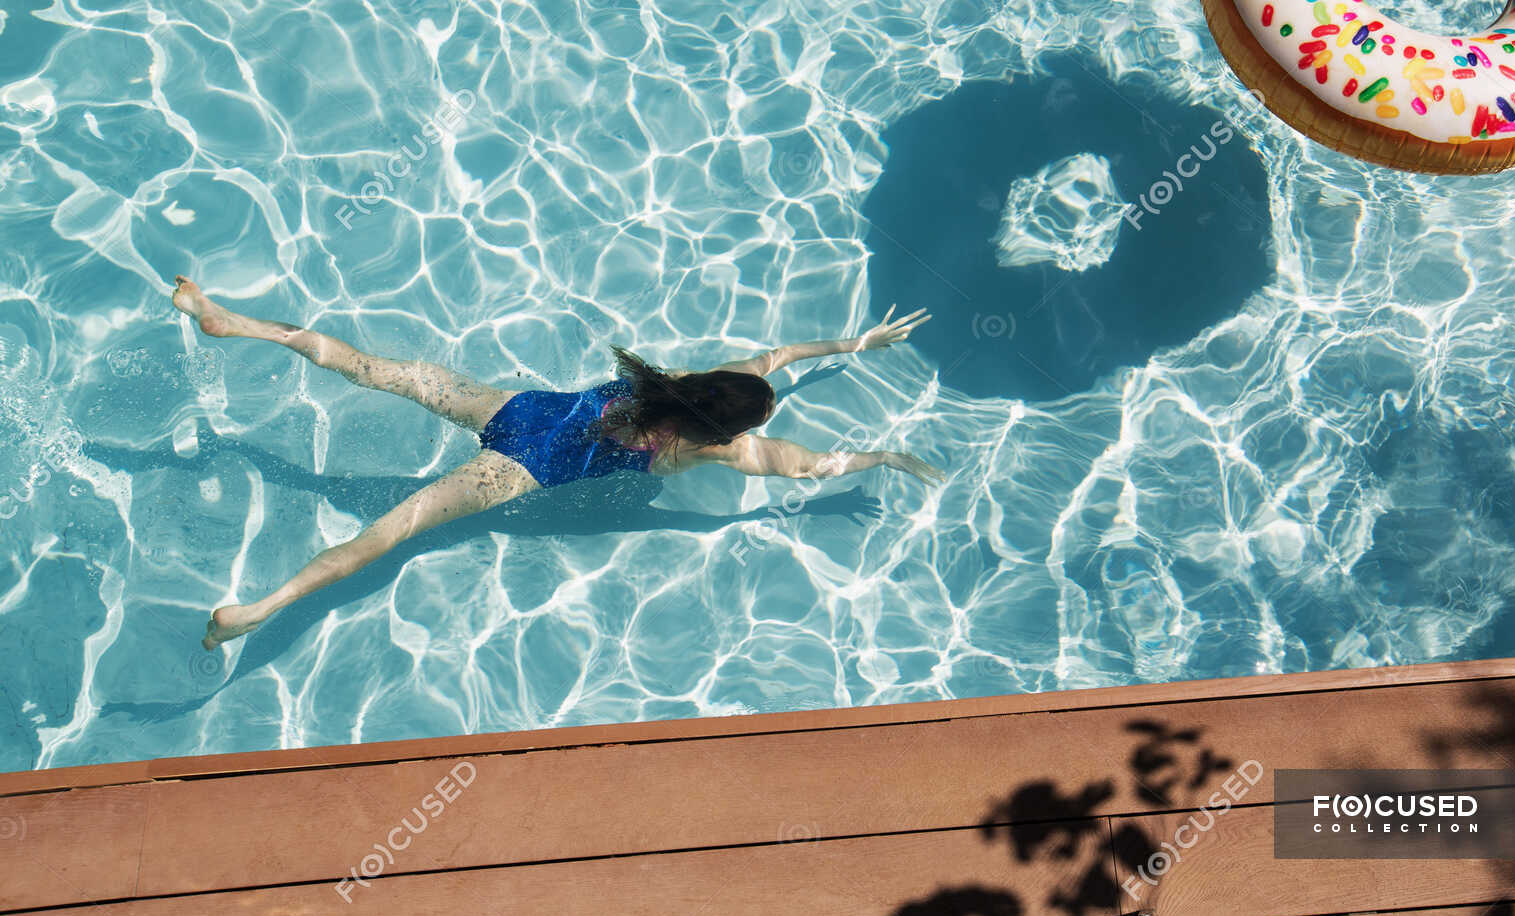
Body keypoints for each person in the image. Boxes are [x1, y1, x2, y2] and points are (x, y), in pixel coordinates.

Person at [168, 276, 943, 649]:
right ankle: (261, 609)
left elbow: (776, 354)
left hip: (512, 408)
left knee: (379, 368)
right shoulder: (718, 450)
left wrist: (851, 342)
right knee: (392, 531)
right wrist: (885, 456)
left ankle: (233, 321)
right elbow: (806, 465)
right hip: (519, 473)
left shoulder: (675, 382)